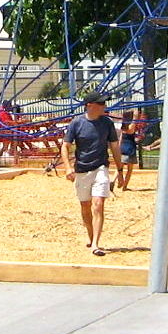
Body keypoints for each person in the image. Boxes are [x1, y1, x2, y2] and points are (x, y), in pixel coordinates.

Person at [58, 92, 124, 257]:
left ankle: (96, 243)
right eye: (101, 104)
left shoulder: (107, 123)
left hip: (101, 167)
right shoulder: (77, 123)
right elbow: (65, 146)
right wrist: (67, 167)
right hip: (82, 170)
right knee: (85, 206)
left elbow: (114, 147)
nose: (104, 106)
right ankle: (91, 235)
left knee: (98, 204)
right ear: (89, 105)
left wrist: (120, 170)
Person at [117, 109, 143, 191]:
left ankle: (114, 181)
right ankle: (124, 186)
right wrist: (135, 117)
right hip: (129, 149)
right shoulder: (130, 126)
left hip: (123, 148)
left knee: (120, 167)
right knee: (129, 169)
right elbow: (131, 130)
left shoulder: (123, 126)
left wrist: (119, 148)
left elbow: (120, 139)